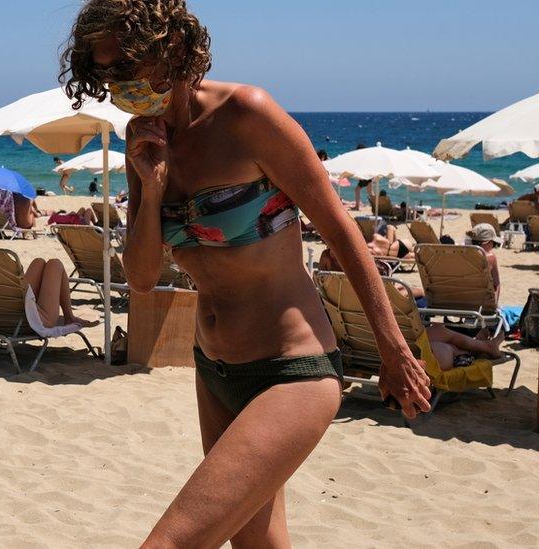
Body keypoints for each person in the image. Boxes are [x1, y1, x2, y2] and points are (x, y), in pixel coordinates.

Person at [59, 2, 431, 545]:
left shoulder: (248, 115)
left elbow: (341, 232)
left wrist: (394, 351)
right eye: (107, 73)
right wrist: (152, 183)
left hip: (292, 371)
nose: (120, 84)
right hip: (213, 369)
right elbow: (140, 278)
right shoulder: (144, 140)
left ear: (173, 50)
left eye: (128, 67)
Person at [24, 258, 99, 330]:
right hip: (30, 320)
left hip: (16, 309)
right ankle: (69, 317)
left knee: (39, 262)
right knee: (55, 265)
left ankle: (69, 317)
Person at [467, 223, 502, 301]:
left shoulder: (460, 255)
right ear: (487, 242)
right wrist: (495, 304)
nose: (493, 246)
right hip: (481, 303)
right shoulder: (490, 257)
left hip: (454, 301)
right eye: (494, 244)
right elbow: (496, 283)